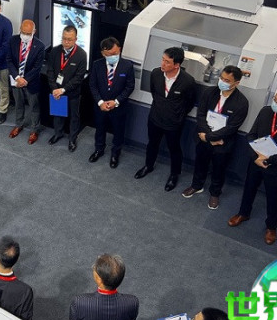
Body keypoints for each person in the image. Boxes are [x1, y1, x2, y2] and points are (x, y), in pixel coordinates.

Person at [228, 87, 277, 244]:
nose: (275, 103)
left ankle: (271, 226)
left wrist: (268, 161)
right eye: (275, 99)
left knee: (274, 196)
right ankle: (243, 213)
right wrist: (256, 157)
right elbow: (251, 135)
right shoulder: (266, 111)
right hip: (256, 160)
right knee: (249, 188)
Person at [181, 66, 249, 210]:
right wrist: (207, 136)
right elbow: (201, 115)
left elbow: (232, 127)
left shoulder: (242, 102)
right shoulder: (209, 92)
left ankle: (215, 193)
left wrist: (210, 137)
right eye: (221, 78)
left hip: (222, 142)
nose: (222, 82)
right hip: (203, 137)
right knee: (200, 163)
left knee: (219, 169)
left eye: (227, 80)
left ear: (236, 83)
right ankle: (196, 185)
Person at [135, 47, 196, 192]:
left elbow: (189, 102)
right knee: (152, 144)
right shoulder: (156, 73)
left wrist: (177, 114)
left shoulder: (188, 81)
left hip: (174, 123)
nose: (162, 64)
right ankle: (148, 166)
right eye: (163, 59)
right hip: (155, 118)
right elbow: (154, 93)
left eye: (167, 62)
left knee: (174, 149)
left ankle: (174, 175)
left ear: (177, 65)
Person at [88, 37, 135, 168]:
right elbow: (93, 85)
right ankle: (99, 149)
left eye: (115, 53)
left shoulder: (127, 66)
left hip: (118, 107)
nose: (113, 56)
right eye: (109, 55)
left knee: (118, 131)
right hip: (101, 106)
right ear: (103, 53)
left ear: (119, 49)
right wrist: (100, 102)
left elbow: (129, 87)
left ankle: (115, 154)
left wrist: (116, 101)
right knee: (100, 129)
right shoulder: (97, 65)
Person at [46, 26, 87, 152]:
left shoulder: (81, 54)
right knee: (58, 114)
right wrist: (54, 88)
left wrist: (63, 90)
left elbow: (79, 77)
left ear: (75, 39)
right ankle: (58, 133)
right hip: (56, 91)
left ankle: (72, 139)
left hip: (72, 93)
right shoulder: (55, 51)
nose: (66, 42)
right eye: (64, 38)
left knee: (74, 117)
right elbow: (50, 70)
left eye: (69, 39)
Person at [7, 19, 46, 144]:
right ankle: (18, 124)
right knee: (18, 104)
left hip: (31, 82)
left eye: (28, 33)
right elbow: (9, 60)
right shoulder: (13, 41)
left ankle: (34, 130)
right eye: (23, 32)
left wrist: (25, 80)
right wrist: (17, 78)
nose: (25, 35)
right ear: (20, 29)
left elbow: (37, 67)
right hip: (16, 80)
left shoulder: (40, 46)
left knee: (34, 106)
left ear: (34, 31)